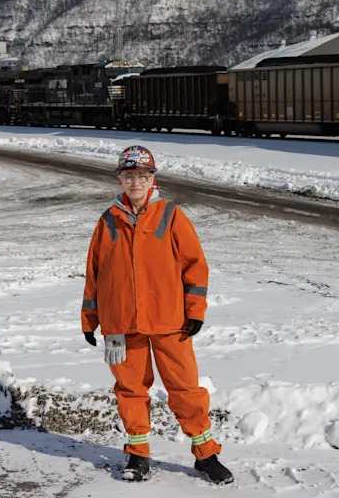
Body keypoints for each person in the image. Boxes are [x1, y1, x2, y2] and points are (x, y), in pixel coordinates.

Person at [81, 144, 233, 485]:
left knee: (185, 389)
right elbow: (94, 274)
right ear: (120, 180)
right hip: (119, 323)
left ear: (153, 179)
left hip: (170, 321)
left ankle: (206, 455)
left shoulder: (171, 215)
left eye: (142, 176)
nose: (135, 182)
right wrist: (89, 319)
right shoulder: (107, 221)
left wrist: (195, 311)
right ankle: (138, 454)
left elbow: (195, 266)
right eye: (129, 176)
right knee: (130, 389)